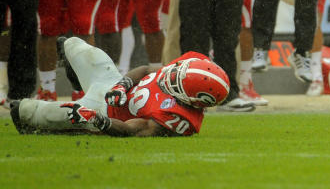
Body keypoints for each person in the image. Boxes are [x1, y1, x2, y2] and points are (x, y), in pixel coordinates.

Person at [10, 38, 228, 136]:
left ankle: (56, 116)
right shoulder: (184, 70)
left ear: (191, 99)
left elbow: (132, 129)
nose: (169, 77)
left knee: (24, 111)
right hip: (112, 84)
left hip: (102, 110)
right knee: (72, 45)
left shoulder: (176, 119)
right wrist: (122, 86)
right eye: (176, 74)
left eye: (176, 82)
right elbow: (144, 70)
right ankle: (76, 75)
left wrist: (97, 119)